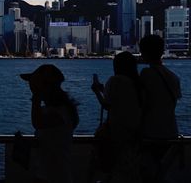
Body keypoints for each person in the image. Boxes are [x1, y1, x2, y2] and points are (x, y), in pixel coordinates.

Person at [20, 64, 79, 183]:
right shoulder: (58, 110)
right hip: (48, 174)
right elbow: (52, 138)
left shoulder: (59, 112)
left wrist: (36, 96)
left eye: (34, 84)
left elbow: (37, 123)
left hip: (54, 176)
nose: (30, 87)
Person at [91, 51, 142, 182]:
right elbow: (123, 99)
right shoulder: (137, 82)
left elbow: (107, 105)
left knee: (112, 163)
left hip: (117, 129)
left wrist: (97, 91)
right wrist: (103, 90)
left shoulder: (115, 80)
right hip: (135, 129)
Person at [138, 35, 182, 182]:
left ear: (144, 52)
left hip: (151, 133)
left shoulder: (146, 74)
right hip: (171, 132)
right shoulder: (173, 77)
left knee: (148, 175)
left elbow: (142, 103)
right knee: (164, 175)